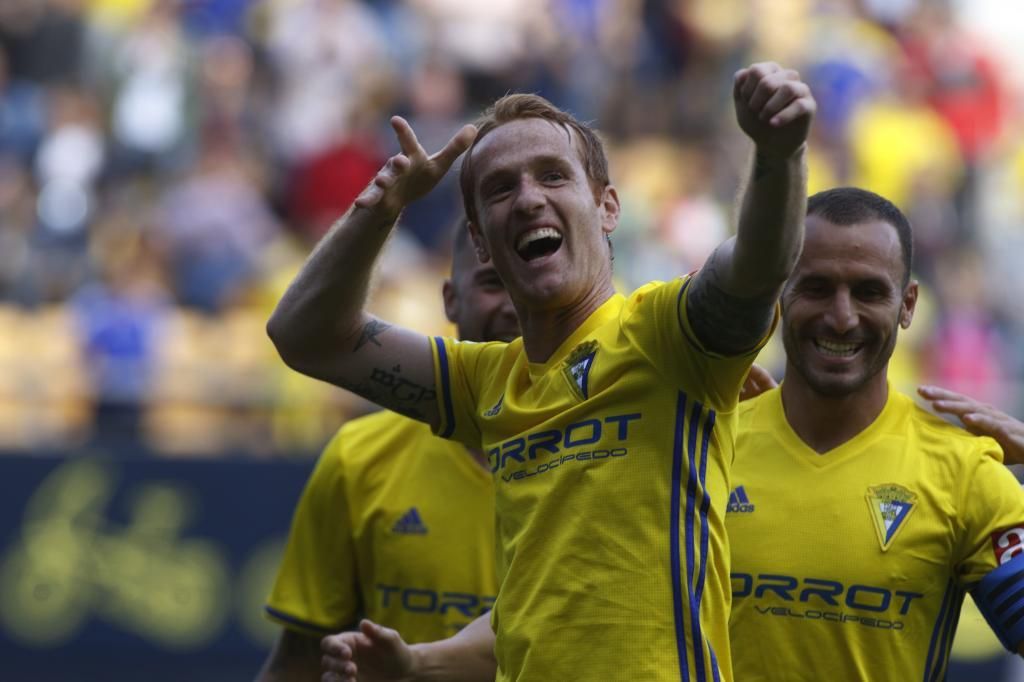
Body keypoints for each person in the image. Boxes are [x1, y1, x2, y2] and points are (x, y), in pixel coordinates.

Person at [269, 62, 815, 681]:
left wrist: (780, 152)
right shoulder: (485, 382)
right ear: (480, 243)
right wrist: (384, 204)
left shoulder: (666, 335)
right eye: (500, 189)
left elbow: (757, 265)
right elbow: (304, 336)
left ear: (607, 206)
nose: (528, 198)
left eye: (553, 175)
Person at [727, 187, 1024, 680]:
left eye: (869, 292)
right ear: (781, 292)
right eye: (817, 287)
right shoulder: (707, 447)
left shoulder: (964, 473)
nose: (841, 317)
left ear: (908, 305)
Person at [255, 224, 517, 681]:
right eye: (494, 283)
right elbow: (297, 663)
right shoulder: (361, 456)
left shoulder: (609, 457)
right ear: (451, 299)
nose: (516, 305)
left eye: (527, 279)